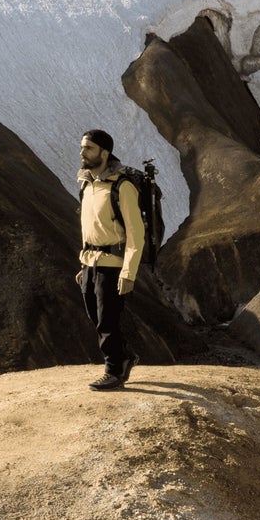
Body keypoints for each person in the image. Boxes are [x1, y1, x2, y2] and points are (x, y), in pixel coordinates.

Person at [76, 127, 145, 391]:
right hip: (91, 263)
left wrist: (128, 272)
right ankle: (124, 356)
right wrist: (84, 263)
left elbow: (135, 232)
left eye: (89, 148)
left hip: (113, 266)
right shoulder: (87, 184)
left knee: (107, 320)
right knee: (96, 317)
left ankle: (114, 371)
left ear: (104, 153)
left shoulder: (121, 186)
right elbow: (89, 228)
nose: (82, 152)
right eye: (82, 147)